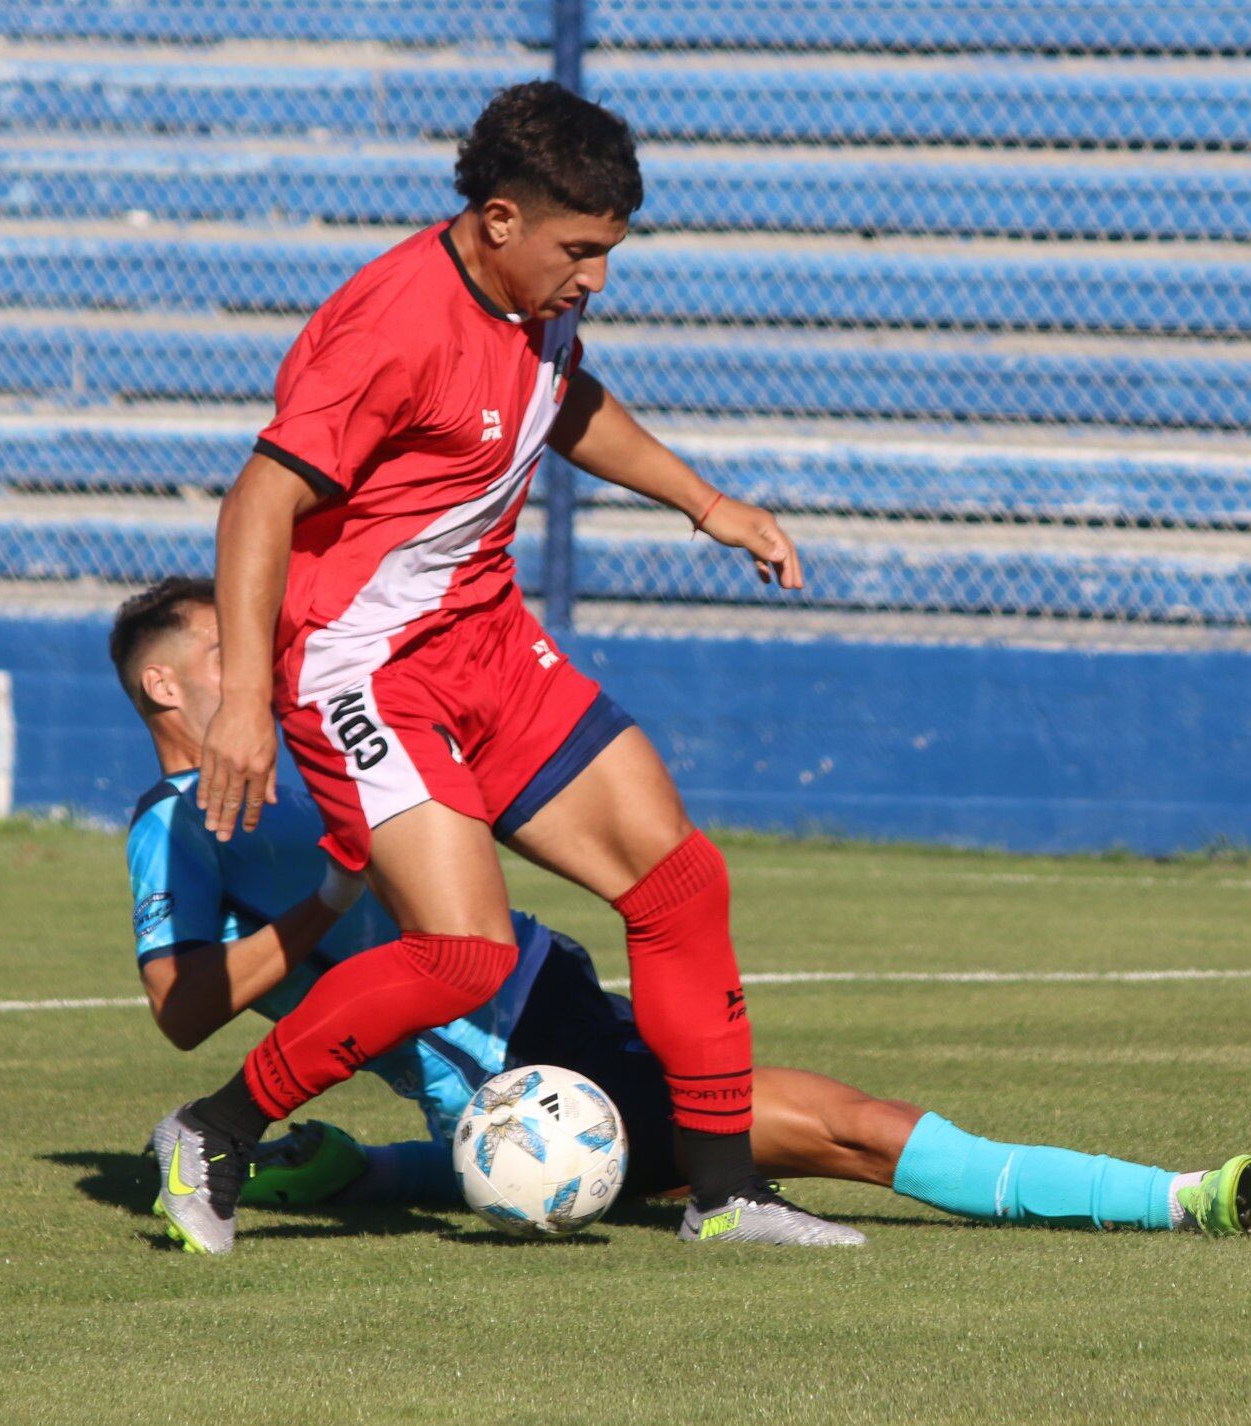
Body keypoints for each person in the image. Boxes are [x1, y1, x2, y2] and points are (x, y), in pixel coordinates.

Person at [152, 79, 844, 1254]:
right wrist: (249, 701)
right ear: (500, 220)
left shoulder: (532, 305)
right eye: (581, 251)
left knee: (681, 886)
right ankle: (214, 1130)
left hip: (486, 641)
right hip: (365, 671)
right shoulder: (393, 324)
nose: (597, 279)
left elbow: (558, 397)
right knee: (462, 953)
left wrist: (708, 502)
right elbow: (262, 498)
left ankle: (727, 1201)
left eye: (611, 251)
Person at [114, 579, 1251, 1244]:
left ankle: (355, 1168)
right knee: (840, 1128)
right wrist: (332, 890)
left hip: (552, 1007)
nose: (260, 658)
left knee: (825, 1117)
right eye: (228, 648)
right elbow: (180, 1009)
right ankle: (1173, 1197)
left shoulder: (333, 725)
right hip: (498, 1076)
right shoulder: (175, 821)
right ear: (165, 684)